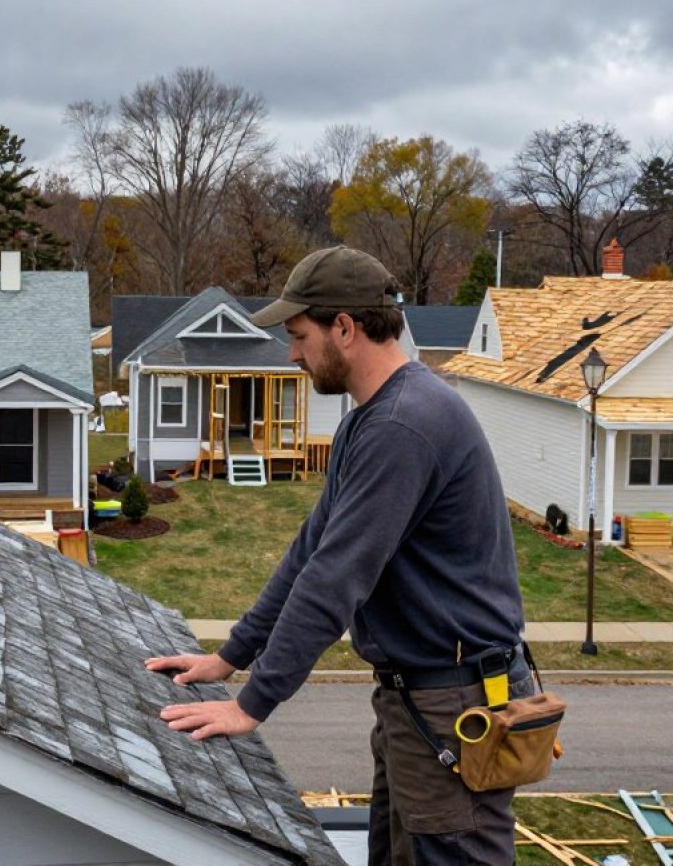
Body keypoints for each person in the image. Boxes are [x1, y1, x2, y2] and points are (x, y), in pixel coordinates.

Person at [145, 245, 529, 866]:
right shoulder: (368, 420)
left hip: (458, 704)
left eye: (298, 335)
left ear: (344, 328)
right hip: (417, 701)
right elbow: (310, 552)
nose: (292, 353)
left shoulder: (404, 426)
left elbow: (335, 580)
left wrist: (253, 704)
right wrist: (231, 657)